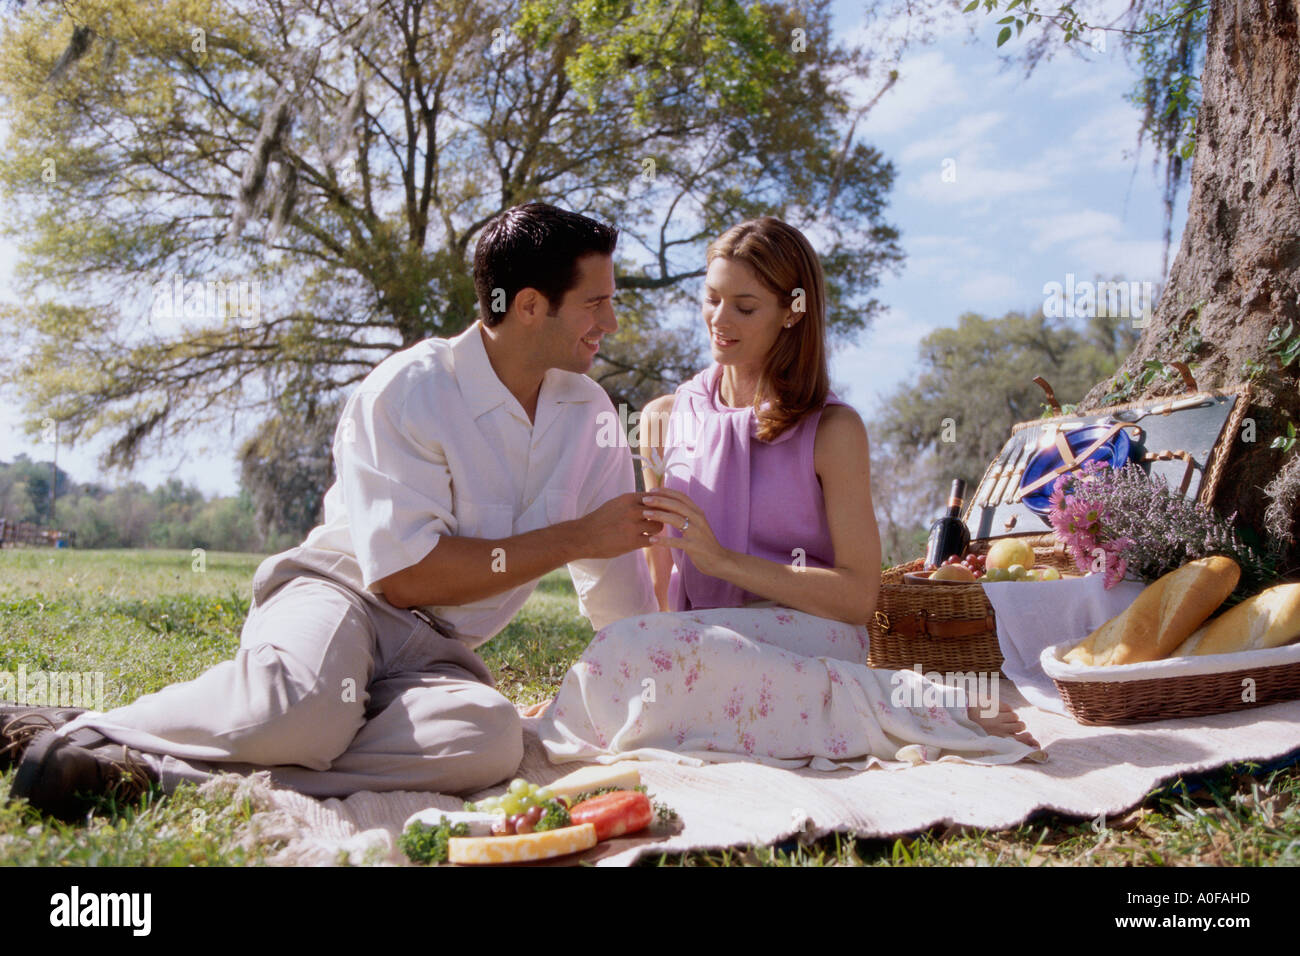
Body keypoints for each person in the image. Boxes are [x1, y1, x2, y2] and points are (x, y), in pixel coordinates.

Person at [6, 202, 662, 821]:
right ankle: (81, 729)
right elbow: (403, 577)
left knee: (487, 740)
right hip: (341, 595)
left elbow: (616, 589)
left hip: (436, 653)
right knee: (304, 713)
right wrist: (575, 537)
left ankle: (151, 770)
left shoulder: (591, 416)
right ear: (528, 306)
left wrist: (652, 695)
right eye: (595, 303)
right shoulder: (410, 389)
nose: (609, 323)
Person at [538, 217, 1044, 770]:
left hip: (812, 638)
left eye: (745, 306)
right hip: (701, 643)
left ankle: (918, 709)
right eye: (711, 299)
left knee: (635, 655)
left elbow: (857, 599)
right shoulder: (663, 419)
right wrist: (644, 661)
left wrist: (724, 563)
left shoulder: (833, 431)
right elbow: (660, 587)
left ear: (792, 311)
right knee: (631, 648)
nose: (719, 320)